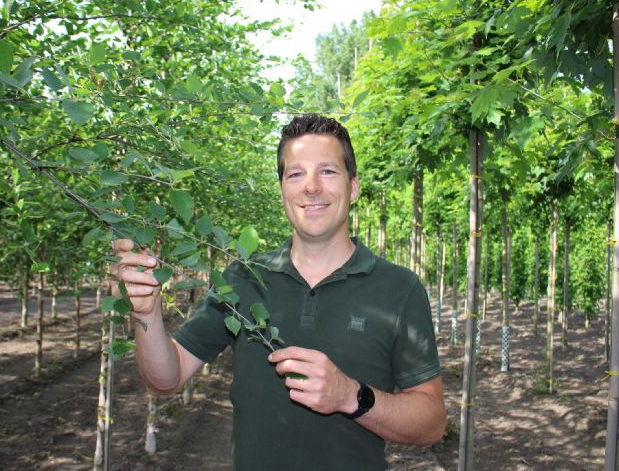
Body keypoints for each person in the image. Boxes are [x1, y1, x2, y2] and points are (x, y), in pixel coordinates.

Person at [112, 114, 445, 470]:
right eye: (296, 174)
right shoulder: (243, 278)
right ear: (283, 190)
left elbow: (432, 424)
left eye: (327, 171)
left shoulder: (399, 288)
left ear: (353, 186)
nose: (311, 187)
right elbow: (166, 380)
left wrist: (351, 396)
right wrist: (146, 314)